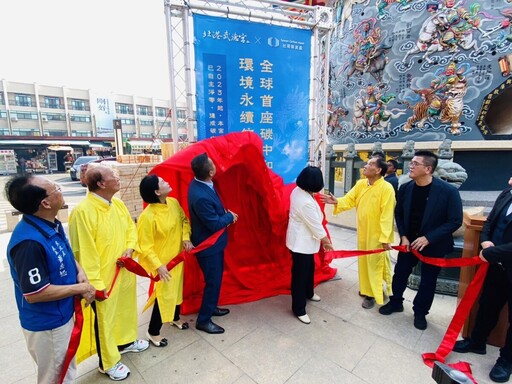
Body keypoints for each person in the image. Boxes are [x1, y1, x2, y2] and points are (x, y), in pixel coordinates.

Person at [5, 175, 96, 383]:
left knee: (66, 368)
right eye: (55, 188)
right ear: (45, 203)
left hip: (62, 313)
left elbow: (65, 251)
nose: (60, 189)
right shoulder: (28, 243)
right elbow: (35, 293)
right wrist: (79, 288)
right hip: (48, 325)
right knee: (55, 376)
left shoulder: (49, 224)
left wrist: (79, 271)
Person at [68, 165, 149, 381]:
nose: (117, 178)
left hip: (123, 271)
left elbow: (131, 229)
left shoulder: (118, 204)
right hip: (102, 278)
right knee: (103, 320)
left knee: (125, 309)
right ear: (101, 183)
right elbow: (83, 251)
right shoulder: (82, 211)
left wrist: (130, 248)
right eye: (112, 175)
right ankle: (108, 362)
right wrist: (93, 284)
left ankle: (125, 341)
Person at [379, 151, 463, 330]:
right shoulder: (406, 188)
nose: (411, 165)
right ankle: (396, 302)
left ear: (428, 169)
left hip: (434, 245)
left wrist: (429, 238)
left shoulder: (448, 192)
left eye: (415, 163)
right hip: (408, 242)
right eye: (411, 162)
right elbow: (399, 213)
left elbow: (455, 220)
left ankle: (420, 312)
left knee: (428, 280)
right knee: (400, 272)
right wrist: (403, 236)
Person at [453, 176, 512, 383]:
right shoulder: (506, 194)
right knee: (488, 304)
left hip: (502, 261)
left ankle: (506, 361)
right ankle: (477, 342)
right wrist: (485, 240)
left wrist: (492, 252)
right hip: (496, 267)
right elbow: (490, 222)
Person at [321, 156, 395, 309]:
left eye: (370, 164)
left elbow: (387, 215)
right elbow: (349, 199)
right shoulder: (361, 184)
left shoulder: (386, 188)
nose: (365, 166)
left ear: (378, 170)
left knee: (374, 263)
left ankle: (372, 294)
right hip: (363, 231)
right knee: (364, 261)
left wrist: (385, 238)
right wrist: (337, 201)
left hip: (377, 234)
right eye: (366, 163)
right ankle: (367, 288)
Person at [136, 175, 194, 347]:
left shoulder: (174, 203)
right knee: (163, 296)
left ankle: (174, 318)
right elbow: (144, 246)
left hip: (177, 258)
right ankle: (153, 332)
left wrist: (186, 237)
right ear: (156, 192)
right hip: (163, 264)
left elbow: (184, 220)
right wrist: (158, 265)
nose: (167, 182)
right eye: (162, 182)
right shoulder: (147, 216)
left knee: (176, 290)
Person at [188, 153, 238, 334]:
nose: (216, 164)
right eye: (213, 164)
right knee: (213, 282)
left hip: (214, 245)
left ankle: (212, 306)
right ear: (210, 172)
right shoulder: (200, 195)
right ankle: (204, 320)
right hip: (208, 246)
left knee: (214, 281)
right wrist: (230, 216)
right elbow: (214, 224)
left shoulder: (201, 183)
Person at [287, 166, 333, 324]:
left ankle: (309, 292)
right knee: (300, 275)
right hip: (301, 243)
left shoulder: (299, 191)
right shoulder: (305, 201)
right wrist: (326, 242)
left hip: (305, 241)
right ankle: (298, 308)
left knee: (309, 269)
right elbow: (315, 225)